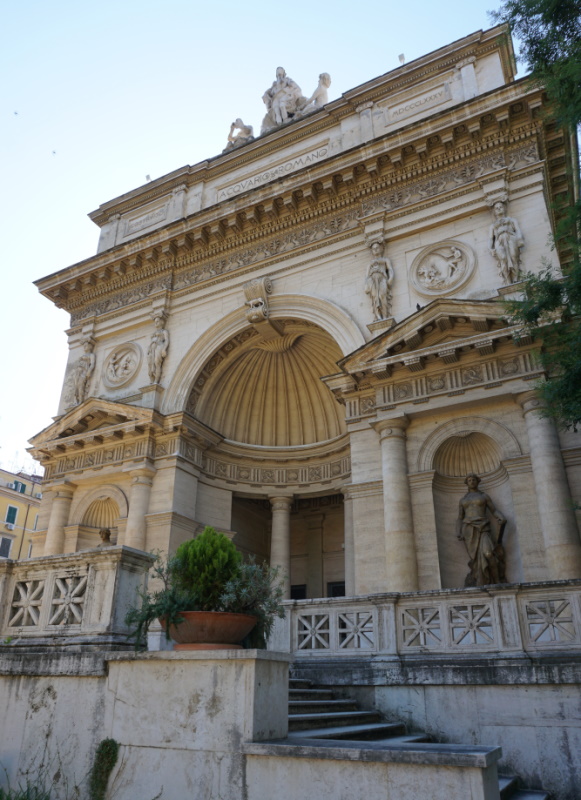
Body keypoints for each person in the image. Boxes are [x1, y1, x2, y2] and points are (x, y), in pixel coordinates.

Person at [457, 473, 507, 586]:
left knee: (488, 554)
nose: (471, 481)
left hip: (483, 527)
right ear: (467, 483)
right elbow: (460, 517)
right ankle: (480, 578)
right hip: (468, 529)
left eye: (473, 479)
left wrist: (501, 517)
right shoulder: (463, 500)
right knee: (475, 559)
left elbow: (494, 510)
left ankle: (497, 580)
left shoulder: (484, 496)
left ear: (477, 481)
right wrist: (458, 531)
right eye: (469, 480)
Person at [488, 200, 524, 285]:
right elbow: (490, 238)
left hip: (511, 238)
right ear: (494, 212)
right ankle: (508, 281)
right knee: (503, 259)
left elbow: (518, 229)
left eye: (500, 207)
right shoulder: (493, 225)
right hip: (499, 241)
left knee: (513, 257)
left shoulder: (512, 220)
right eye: (497, 208)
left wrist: (519, 238)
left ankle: (516, 279)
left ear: (504, 208)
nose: (499, 209)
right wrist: (490, 248)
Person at [261, 67, 304, 132]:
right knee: (276, 111)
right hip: (276, 98)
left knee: (281, 106)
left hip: (285, 97)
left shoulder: (287, 80)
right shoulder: (275, 84)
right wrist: (265, 94)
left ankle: (285, 120)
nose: (279, 76)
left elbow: (295, 87)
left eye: (280, 74)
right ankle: (280, 126)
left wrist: (290, 91)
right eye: (278, 74)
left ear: (283, 73)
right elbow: (269, 91)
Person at [365, 241, 394, 320]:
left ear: (382, 248)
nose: (375, 250)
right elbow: (367, 276)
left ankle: (385, 316)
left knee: (382, 296)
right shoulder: (370, 263)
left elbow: (390, 269)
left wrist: (390, 279)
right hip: (373, 281)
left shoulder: (385, 260)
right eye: (373, 249)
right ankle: (378, 316)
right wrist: (366, 285)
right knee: (375, 297)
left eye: (377, 248)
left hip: (382, 279)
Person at [148, 314, 169, 384]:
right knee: (150, 364)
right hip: (152, 349)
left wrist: (164, 349)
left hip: (159, 346)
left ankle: (156, 380)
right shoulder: (154, 333)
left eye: (157, 321)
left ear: (161, 322)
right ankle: (151, 379)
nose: (156, 323)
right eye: (155, 321)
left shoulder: (164, 331)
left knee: (157, 362)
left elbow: (167, 340)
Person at [74, 338, 95, 405]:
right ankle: (76, 401)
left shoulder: (91, 355)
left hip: (84, 372)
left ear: (90, 346)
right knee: (76, 387)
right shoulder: (82, 355)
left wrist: (89, 371)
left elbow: (92, 364)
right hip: (78, 373)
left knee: (81, 386)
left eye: (86, 345)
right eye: (84, 346)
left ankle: (81, 401)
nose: (84, 347)